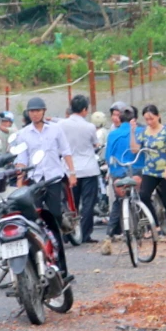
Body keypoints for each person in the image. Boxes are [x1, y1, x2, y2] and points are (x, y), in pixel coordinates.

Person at [15, 97, 76, 232]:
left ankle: (59, 233)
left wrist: (72, 173)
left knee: (55, 213)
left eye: (38, 111)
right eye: (32, 111)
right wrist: (19, 182)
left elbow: (66, 151)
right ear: (28, 113)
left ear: (44, 111)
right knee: (34, 213)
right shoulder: (23, 134)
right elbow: (22, 160)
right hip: (35, 178)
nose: (35, 114)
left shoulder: (55, 129)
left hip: (53, 177)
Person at [130, 105, 166, 242]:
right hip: (149, 169)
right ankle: (154, 226)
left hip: (165, 170)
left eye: (152, 118)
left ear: (158, 116)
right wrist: (132, 132)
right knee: (144, 195)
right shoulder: (144, 132)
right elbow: (134, 149)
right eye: (146, 119)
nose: (149, 121)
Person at [100, 107, 142, 255]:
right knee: (142, 197)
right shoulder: (140, 131)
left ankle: (108, 235)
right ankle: (148, 227)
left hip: (118, 173)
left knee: (118, 201)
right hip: (137, 172)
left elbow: (108, 157)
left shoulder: (112, 134)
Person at [61, 95, 100, 244]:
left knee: (71, 203)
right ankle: (85, 235)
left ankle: (69, 233)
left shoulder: (62, 125)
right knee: (88, 203)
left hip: (69, 170)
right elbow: (95, 144)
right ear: (84, 110)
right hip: (89, 168)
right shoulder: (89, 127)